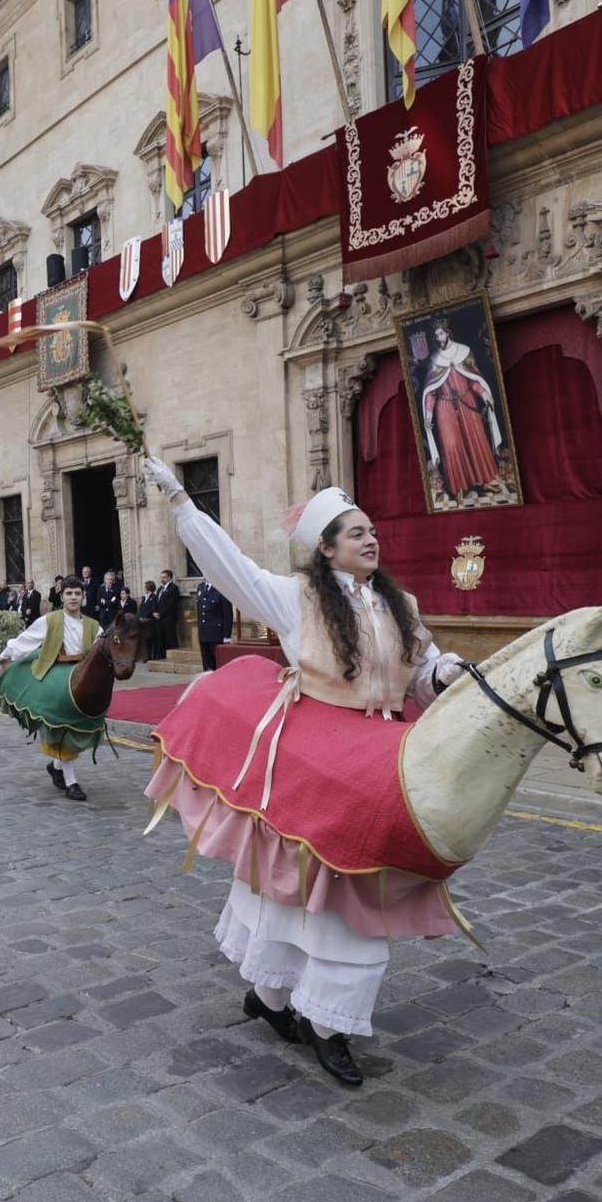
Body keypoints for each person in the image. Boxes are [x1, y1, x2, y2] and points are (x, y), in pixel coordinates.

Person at [141, 458, 469, 1087]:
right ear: (325, 548)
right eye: (354, 533)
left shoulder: (400, 604)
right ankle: (316, 1021)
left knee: (346, 895)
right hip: (314, 767)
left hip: (375, 768)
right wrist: (181, 498)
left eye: (372, 531)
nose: (370, 540)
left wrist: (446, 674)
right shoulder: (298, 598)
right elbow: (229, 568)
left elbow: (420, 673)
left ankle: (283, 1004)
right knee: (304, 894)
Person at [0, 576, 101, 802]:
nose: (73, 598)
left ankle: (56, 766)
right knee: (62, 726)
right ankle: (72, 782)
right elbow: (26, 640)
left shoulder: (93, 626)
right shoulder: (50, 620)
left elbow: (103, 653)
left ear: (83, 597)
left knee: (82, 725)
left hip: (81, 677)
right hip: (56, 676)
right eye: (69, 593)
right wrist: (4, 655)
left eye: (77, 594)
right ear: (61, 597)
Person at [419, 320, 506, 498]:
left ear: (448, 333)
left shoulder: (464, 351)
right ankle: (461, 487)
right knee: (452, 445)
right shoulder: (434, 360)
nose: (438, 338)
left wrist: (484, 394)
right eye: (435, 335)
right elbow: (431, 392)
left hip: (468, 401)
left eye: (441, 333)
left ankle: (484, 480)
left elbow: (474, 380)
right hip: (444, 407)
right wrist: (428, 413)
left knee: (477, 440)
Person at [196, 578, 234, 672]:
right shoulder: (201, 587)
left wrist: (227, 636)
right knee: (206, 662)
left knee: (218, 663)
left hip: (216, 633)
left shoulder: (222, 588)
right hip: (203, 632)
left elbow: (227, 614)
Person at [152, 570, 182, 662]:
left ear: (169, 578)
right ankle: (162, 656)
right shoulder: (160, 589)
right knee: (160, 637)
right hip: (158, 618)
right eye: (161, 577)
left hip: (168, 618)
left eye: (164, 577)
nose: (162, 579)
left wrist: (160, 613)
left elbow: (171, 604)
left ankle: (175, 657)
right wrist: (154, 612)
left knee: (170, 637)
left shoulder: (174, 588)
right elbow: (155, 602)